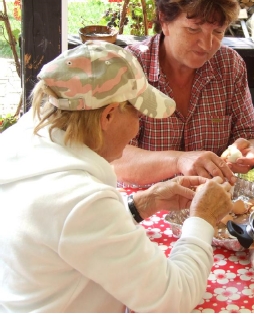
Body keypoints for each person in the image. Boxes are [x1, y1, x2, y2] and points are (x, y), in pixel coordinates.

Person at [0, 41, 233, 312]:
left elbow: (66, 232)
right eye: (136, 113)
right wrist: (202, 219)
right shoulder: (81, 200)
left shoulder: (18, 142)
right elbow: (174, 298)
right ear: (108, 115)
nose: (137, 128)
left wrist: (143, 203)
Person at [111, 0, 254, 188]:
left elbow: (251, 134)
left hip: (213, 204)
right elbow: (117, 160)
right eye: (193, 29)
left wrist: (249, 151)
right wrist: (180, 160)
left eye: (218, 32)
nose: (207, 44)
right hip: (147, 206)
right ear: (164, 19)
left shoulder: (229, 66)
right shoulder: (130, 68)